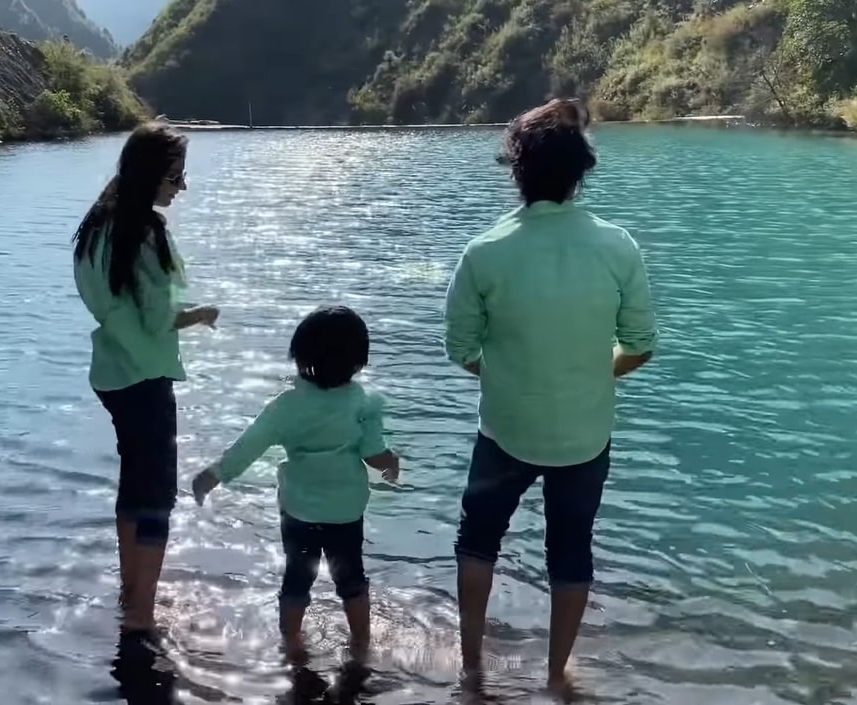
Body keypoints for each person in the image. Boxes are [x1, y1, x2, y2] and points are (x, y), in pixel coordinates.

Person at [443, 98, 658, 695]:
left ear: (516, 172)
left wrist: (514, 372)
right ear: (581, 171)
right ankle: (558, 675)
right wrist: (591, 373)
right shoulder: (618, 247)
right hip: (584, 433)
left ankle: (470, 668)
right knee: (571, 549)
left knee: (476, 540)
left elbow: (460, 347)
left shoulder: (485, 251)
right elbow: (641, 344)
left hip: (506, 427)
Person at [73, 122, 220, 634]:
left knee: (133, 482)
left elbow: (106, 301)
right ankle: (143, 612)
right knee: (157, 493)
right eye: (176, 177)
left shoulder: (95, 226)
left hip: (111, 374)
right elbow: (160, 316)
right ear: (152, 175)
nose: (181, 187)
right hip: (146, 376)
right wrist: (199, 313)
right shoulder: (147, 232)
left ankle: (129, 589)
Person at [191, 305, 401, 663]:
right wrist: (391, 463)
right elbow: (373, 453)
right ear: (358, 360)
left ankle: (291, 643)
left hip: (299, 511)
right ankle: (361, 646)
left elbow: (248, 447)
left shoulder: (286, 406)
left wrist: (213, 475)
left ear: (300, 355)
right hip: (345, 513)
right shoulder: (363, 403)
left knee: (296, 579)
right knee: (351, 579)